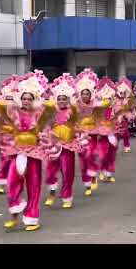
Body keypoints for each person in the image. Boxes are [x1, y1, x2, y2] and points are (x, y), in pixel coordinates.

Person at [0, 70, 55, 232]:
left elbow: (50, 107)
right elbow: (0, 107)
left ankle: (32, 218)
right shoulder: (13, 113)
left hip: (34, 153)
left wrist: (40, 96)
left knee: (34, 186)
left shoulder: (39, 115)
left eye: (30, 98)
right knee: (12, 181)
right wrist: (13, 92)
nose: (26, 101)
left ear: (34, 100)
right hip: (17, 152)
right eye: (24, 98)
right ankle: (15, 209)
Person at [42, 73, 89, 209]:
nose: (61, 101)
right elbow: (46, 125)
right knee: (50, 171)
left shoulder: (73, 111)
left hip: (68, 145)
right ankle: (52, 193)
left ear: (68, 99)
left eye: (64, 99)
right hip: (54, 145)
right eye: (59, 99)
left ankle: (67, 195)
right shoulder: (51, 112)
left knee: (67, 171)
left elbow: (78, 124)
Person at [73, 68, 101, 195]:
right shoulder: (76, 106)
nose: (85, 96)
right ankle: (87, 183)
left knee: (91, 155)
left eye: (87, 93)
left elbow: (103, 115)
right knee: (83, 160)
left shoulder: (95, 105)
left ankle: (93, 175)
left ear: (91, 94)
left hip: (93, 135)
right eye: (83, 93)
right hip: (80, 136)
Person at [94, 77, 118, 183]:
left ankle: (109, 174)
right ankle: (102, 170)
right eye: (105, 98)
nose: (107, 100)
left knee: (111, 155)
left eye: (109, 98)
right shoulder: (97, 109)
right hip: (101, 135)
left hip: (112, 133)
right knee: (102, 154)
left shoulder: (115, 108)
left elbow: (117, 120)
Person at [113, 78, 136, 153]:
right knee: (116, 133)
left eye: (123, 92)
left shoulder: (128, 100)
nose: (122, 94)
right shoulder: (114, 99)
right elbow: (111, 109)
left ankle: (127, 145)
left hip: (125, 118)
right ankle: (115, 146)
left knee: (125, 133)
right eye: (121, 92)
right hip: (116, 118)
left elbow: (132, 109)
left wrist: (132, 114)